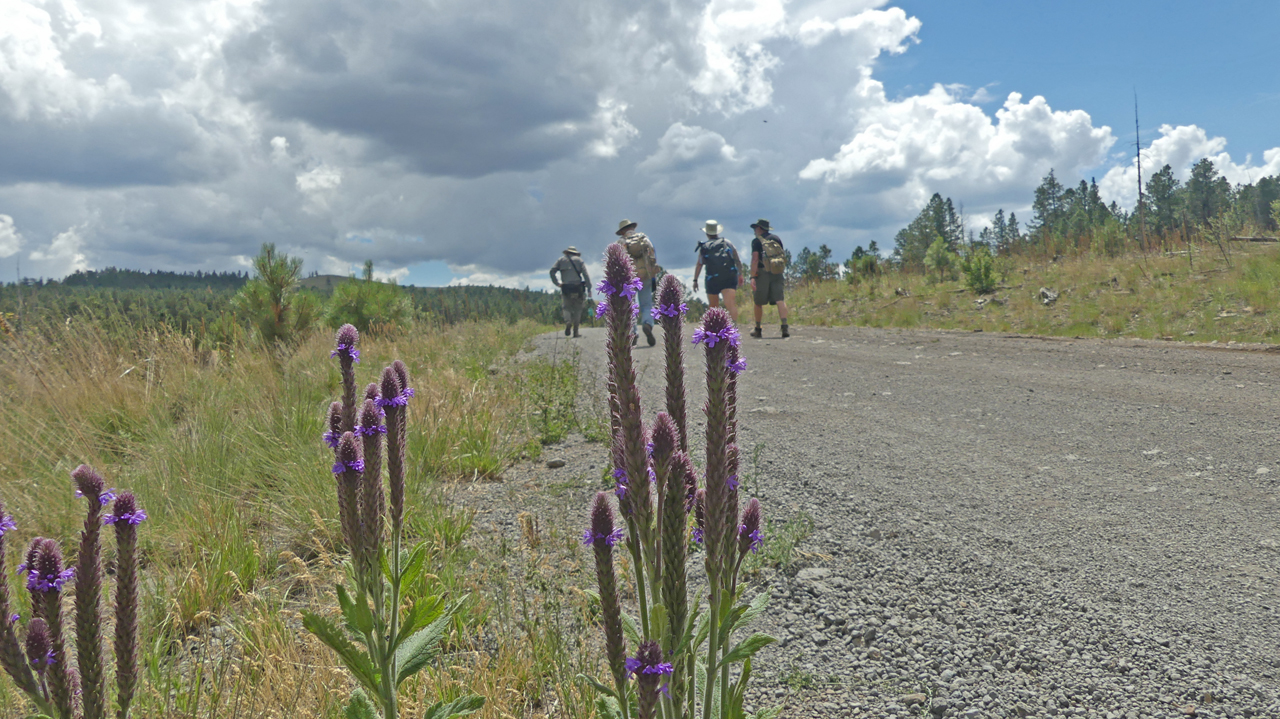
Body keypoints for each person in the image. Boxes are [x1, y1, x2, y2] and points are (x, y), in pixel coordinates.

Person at [613, 219, 659, 346]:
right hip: (646, 275)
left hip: (629, 279)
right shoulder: (644, 239)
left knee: (630, 306)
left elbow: (617, 262)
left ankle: (633, 333)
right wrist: (653, 277)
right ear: (633, 227)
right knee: (646, 304)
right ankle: (648, 324)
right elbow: (653, 258)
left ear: (622, 231)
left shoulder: (621, 242)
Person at [692, 220, 741, 323]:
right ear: (717, 231)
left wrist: (695, 280)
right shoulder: (727, 242)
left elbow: (699, 264)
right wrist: (740, 274)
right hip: (729, 276)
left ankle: (714, 329)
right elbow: (737, 258)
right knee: (730, 304)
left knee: (713, 306)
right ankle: (734, 327)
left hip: (712, 278)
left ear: (706, 233)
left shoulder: (705, 246)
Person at [748, 218, 789, 338]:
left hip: (762, 272)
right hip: (777, 271)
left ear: (760, 228)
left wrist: (752, 276)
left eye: (756, 228)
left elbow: (755, 259)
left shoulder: (756, 241)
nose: (755, 231)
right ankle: (785, 327)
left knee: (758, 302)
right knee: (779, 299)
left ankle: (758, 328)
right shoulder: (776, 239)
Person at [550, 246, 592, 338]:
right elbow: (585, 275)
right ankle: (575, 332)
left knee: (566, 308)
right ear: (575, 253)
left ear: (567, 252)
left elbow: (552, 271)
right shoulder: (579, 260)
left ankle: (568, 322)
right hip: (578, 288)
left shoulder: (561, 260)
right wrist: (589, 288)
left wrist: (557, 283)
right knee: (578, 309)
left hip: (566, 288)